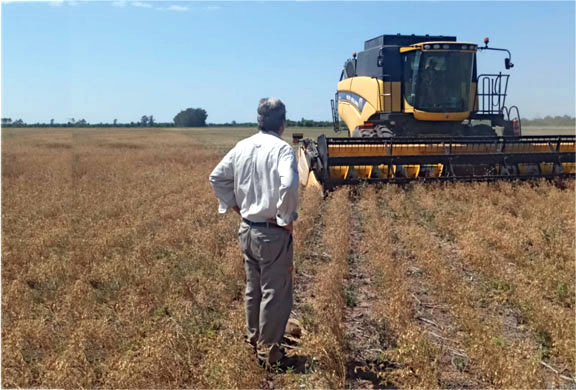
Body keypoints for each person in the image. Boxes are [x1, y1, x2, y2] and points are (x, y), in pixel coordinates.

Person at [209, 97, 299, 368]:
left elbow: (216, 177)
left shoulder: (242, 147)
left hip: (247, 229)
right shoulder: (283, 150)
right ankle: (270, 353)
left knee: (253, 289)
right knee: (275, 291)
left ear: (259, 121)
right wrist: (285, 217)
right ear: (283, 124)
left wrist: (236, 207)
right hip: (272, 232)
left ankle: (253, 340)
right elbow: (291, 183)